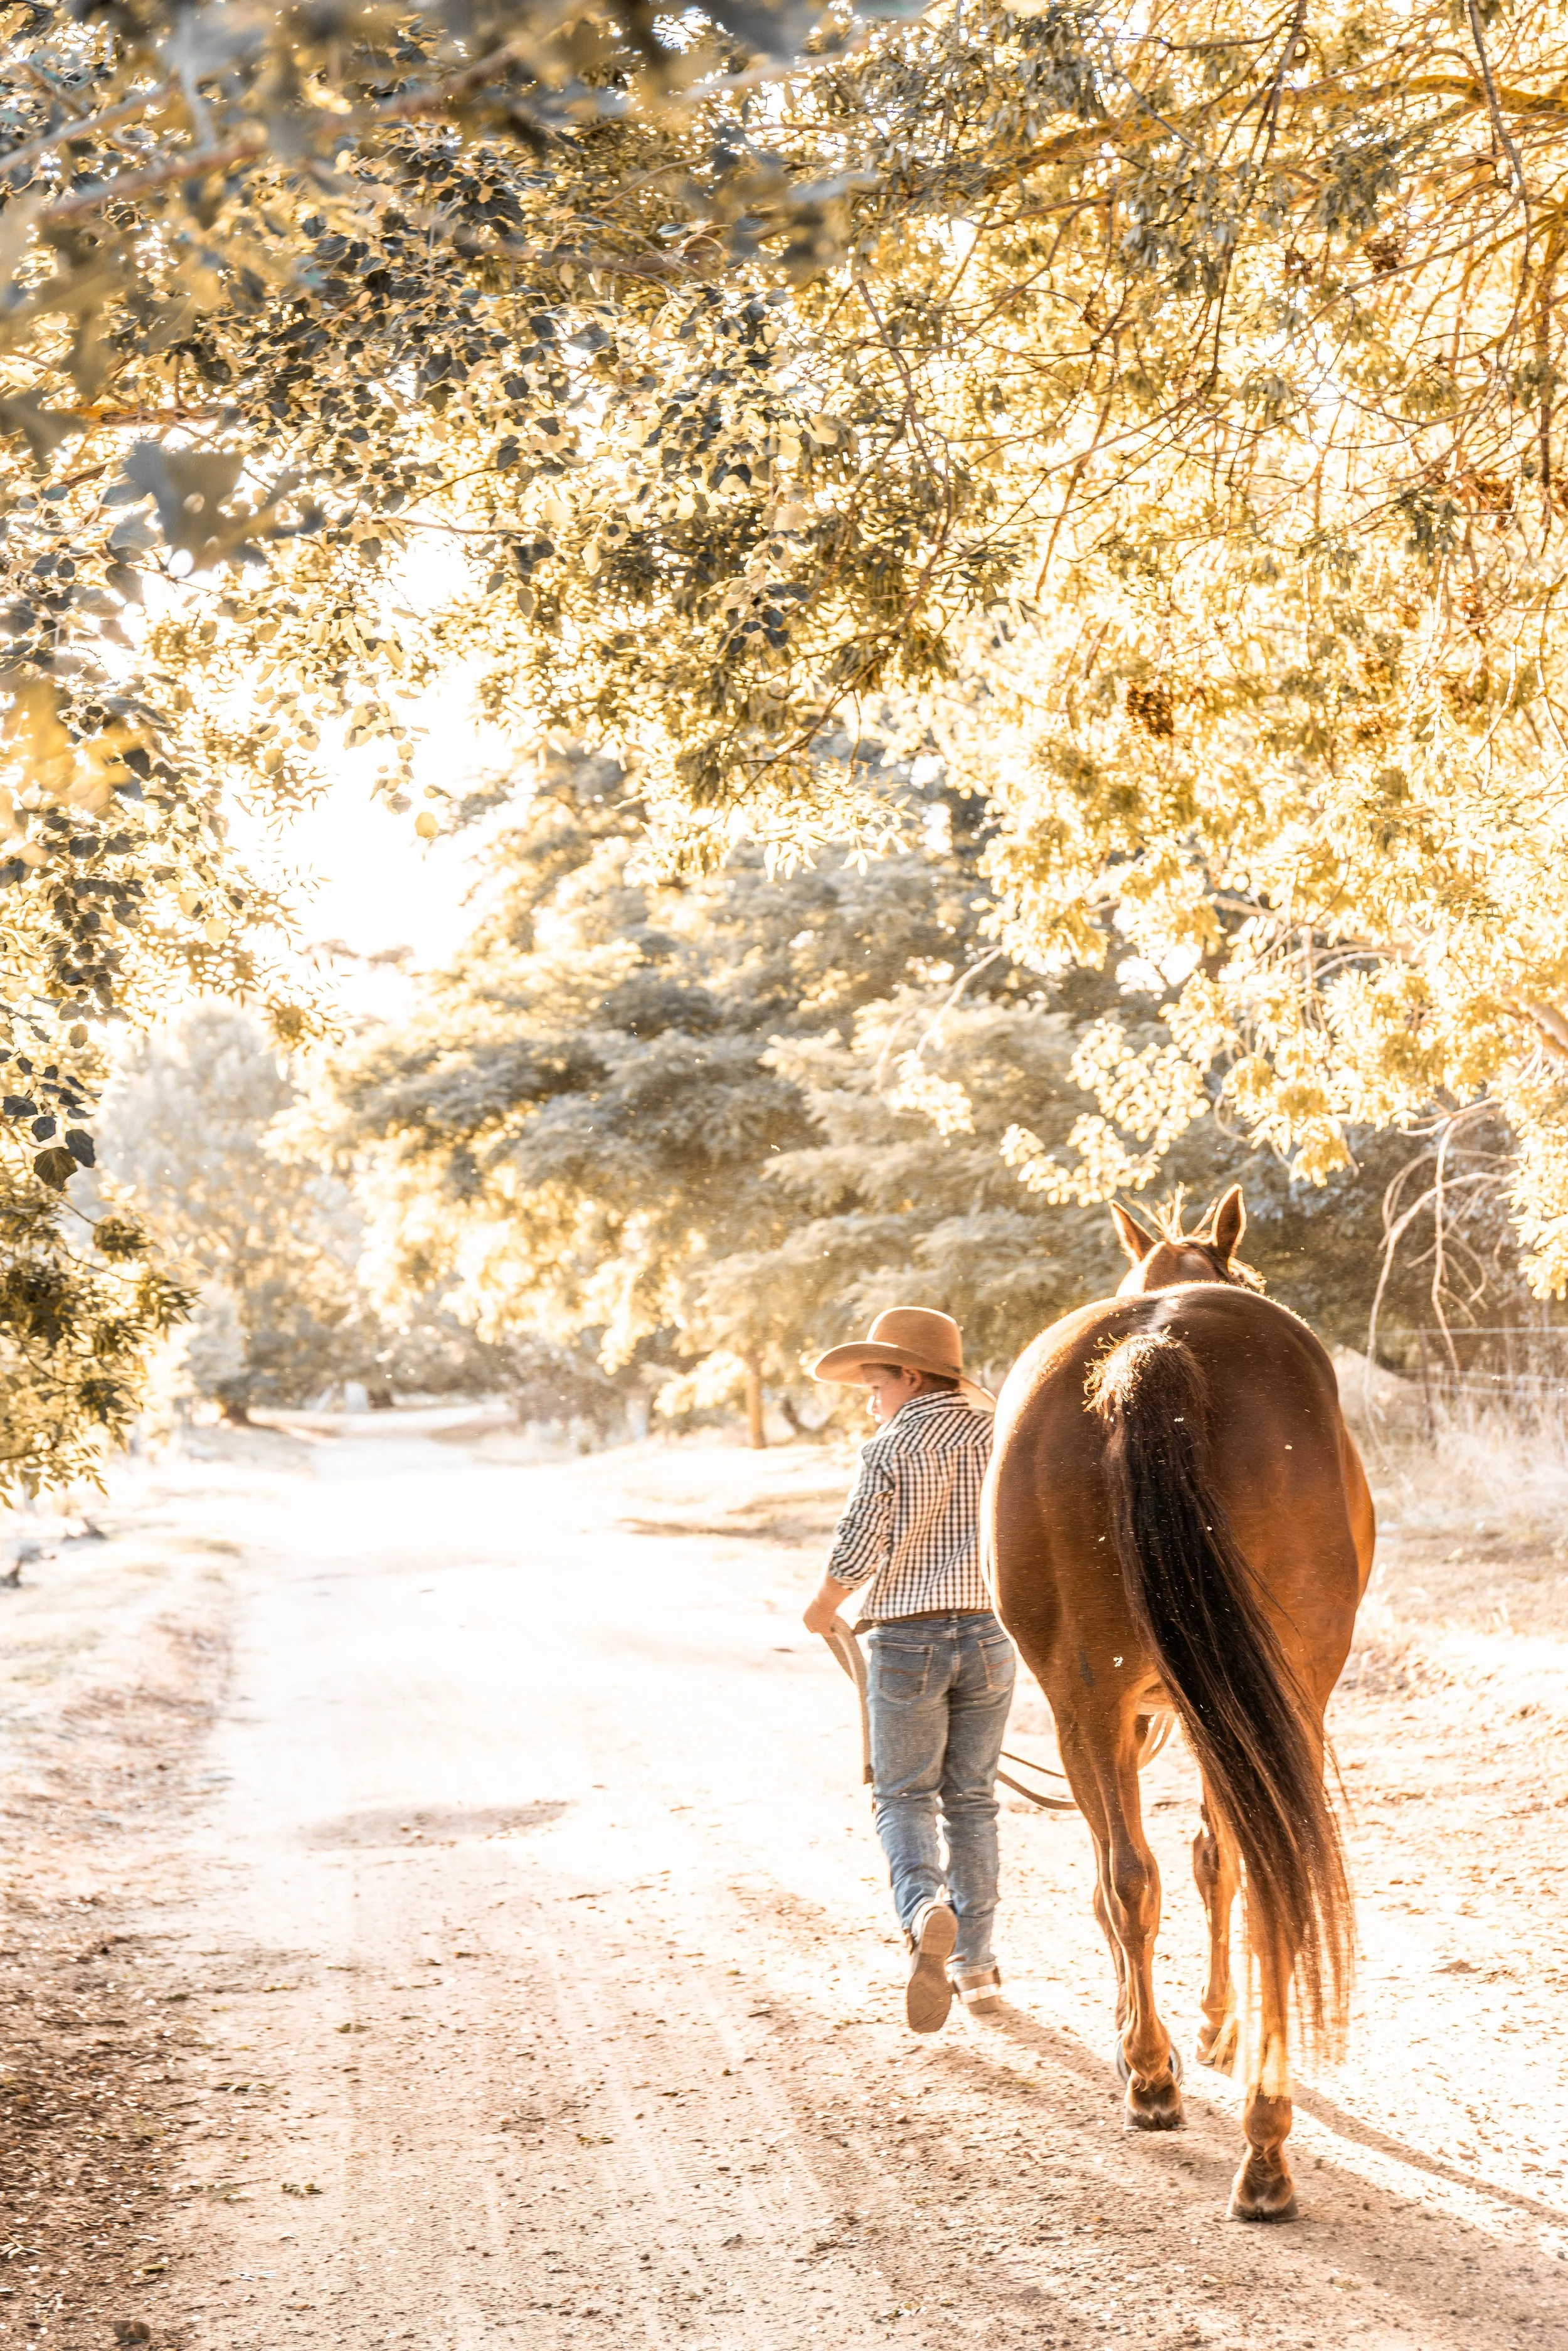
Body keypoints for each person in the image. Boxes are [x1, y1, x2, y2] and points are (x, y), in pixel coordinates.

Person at [801, 1307, 1015, 2033]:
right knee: (974, 1800)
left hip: (907, 1642)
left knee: (901, 1795)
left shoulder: (890, 1446)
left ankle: (925, 1909)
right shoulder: (1000, 1433)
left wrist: (823, 1604)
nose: (871, 1401)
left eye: (875, 1383)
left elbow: (860, 1543)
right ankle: (978, 1968)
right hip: (991, 1634)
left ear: (911, 1376)